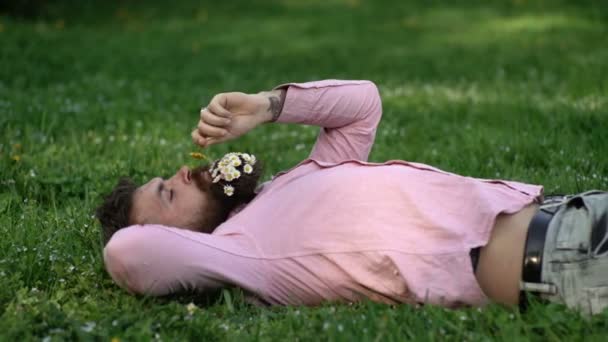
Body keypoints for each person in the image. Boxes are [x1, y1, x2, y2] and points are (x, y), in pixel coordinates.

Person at [96, 80, 608, 315]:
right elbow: (127, 253)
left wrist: (266, 107)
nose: (184, 173)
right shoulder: (242, 253)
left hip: (573, 211)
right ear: (171, 236)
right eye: (166, 194)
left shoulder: (301, 179)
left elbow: (363, 103)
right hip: (564, 261)